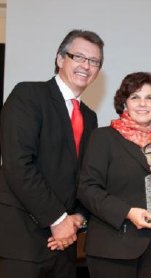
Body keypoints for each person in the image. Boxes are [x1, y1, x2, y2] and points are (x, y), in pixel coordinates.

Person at [0, 29, 104, 278]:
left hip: (65, 244)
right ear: (60, 59)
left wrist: (78, 217)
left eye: (94, 61)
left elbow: (83, 176)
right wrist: (58, 220)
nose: (86, 66)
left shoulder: (89, 117)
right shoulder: (28, 95)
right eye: (78, 56)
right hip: (23, 240)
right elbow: (19, 164)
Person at [77, 72, 151, 278]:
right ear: (124, 103)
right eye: (135, 97)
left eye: (149, 98)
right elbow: (87, 189)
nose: (142, 104)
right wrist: (127, 212)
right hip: (113, 249)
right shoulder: (104, 138)